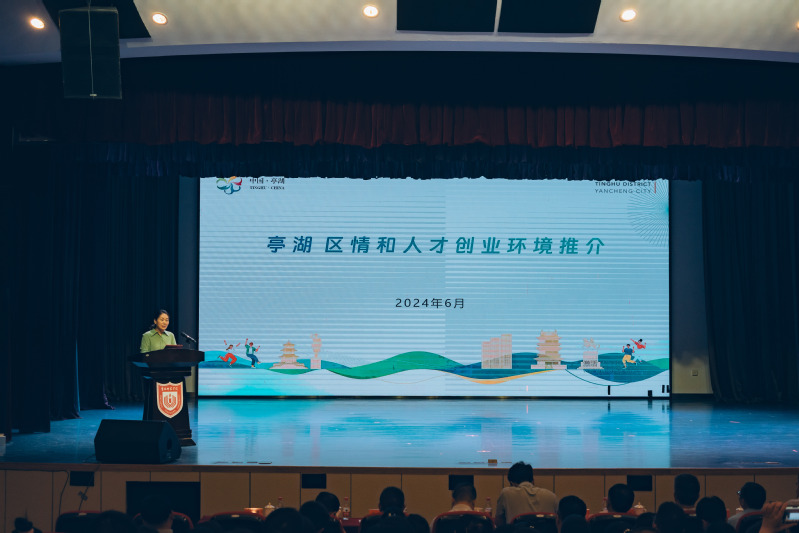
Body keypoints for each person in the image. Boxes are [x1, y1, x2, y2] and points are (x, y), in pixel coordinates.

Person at [495, 461, 558, 526]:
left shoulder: (506, 493)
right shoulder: (552, 496)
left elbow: (499, 522)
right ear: (533, 481)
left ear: (512, 483)